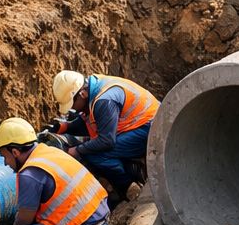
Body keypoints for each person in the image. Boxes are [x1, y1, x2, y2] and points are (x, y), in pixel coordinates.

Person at [0, 117, 110, 225]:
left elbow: (24, 219)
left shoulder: (30, 173)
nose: (6, 163)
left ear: (15, 152)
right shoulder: (49, 151)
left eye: (4, 156)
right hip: (100, 222)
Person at [52, 71, 159, 200]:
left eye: (72, 104)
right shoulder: (95, 87)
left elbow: (106, 141)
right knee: (91, 147)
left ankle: (129, 186)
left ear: (82, 94)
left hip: (151, 131)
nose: (73, 109)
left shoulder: (104, 100)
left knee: (93, 153)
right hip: (145, 123)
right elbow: (92, 119)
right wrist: (66, 127)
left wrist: (76, 150)